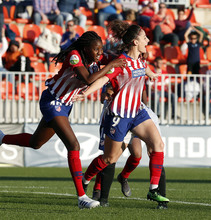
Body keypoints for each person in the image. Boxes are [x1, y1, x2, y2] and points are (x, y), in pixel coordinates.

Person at [0, 31, 127, 209]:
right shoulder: (74, 56)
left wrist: (127, 54)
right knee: (74, 145)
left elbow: (117, 57)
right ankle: (82, 197)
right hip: (52, 101)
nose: (100, 53)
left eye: (101, 49)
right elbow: (88, 79)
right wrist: (112, 64)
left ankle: (2, 138)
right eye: (96, 49)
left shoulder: (95, 57)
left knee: (36, 143)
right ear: (85, 48)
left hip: (65, 105)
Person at [72, 22, 169, 207]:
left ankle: (154, 190)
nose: (148, 40)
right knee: (110, 158)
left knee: (158, 144)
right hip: (120, 114)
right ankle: (86, 178)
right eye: (144, 38)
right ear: (134, 42)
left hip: (137, 112)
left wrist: (151, 74)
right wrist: (86, 92)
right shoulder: (121, 62)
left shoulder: (141, 60)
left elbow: (143, 68)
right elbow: (104, 79)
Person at [89, 84, 168, 209]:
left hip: (138, 116)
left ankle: (160, 198)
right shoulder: (114, 76)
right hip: (117, 116)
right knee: (110, 156)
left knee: (147, 153)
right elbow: (102, 93)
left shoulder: (136, 72)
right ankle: (100, 194)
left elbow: (142, 87)